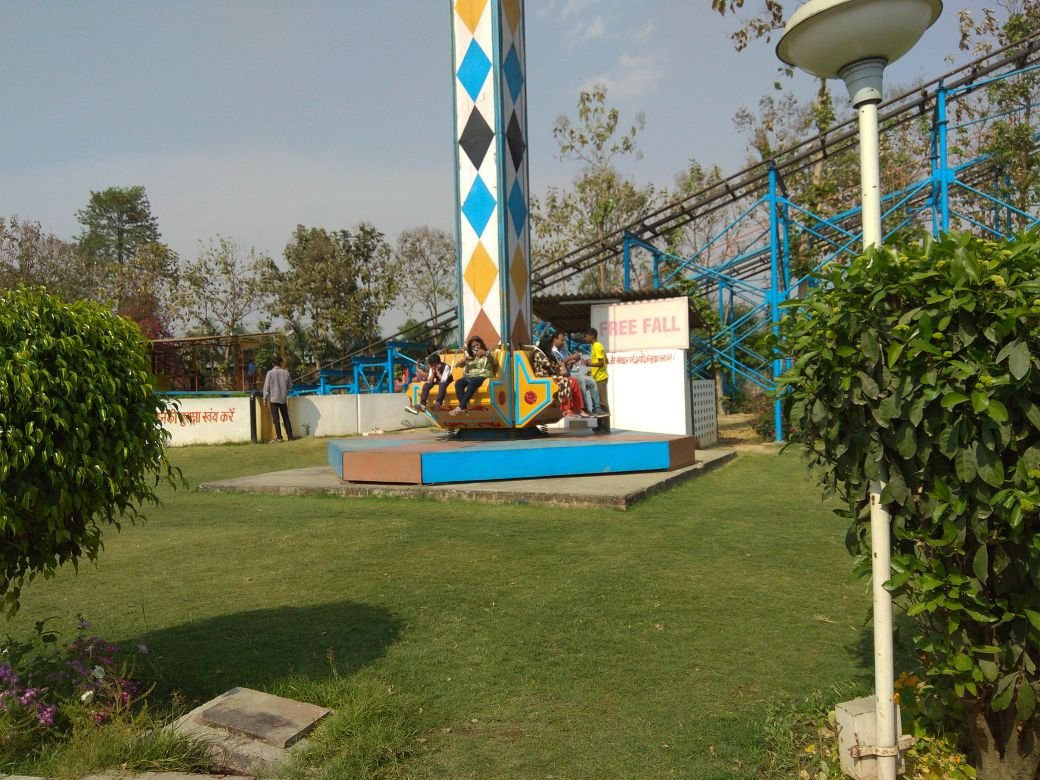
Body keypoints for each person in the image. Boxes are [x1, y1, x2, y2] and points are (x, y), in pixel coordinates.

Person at [551, 331, 603, 417]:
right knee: (581, 381)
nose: (563, 343)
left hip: (568, 375)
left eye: (564, 340)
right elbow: (559, 365)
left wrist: (573, 361)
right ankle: (584, 408)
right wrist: (570, 358)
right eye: (561, 340)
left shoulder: (564, 350)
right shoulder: (552, 351)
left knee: (592, 382)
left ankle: (596, 408)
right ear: (555, 339)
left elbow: (567, 366)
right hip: (560, 378)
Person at [536, 332, 587, 418]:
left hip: (551, 376)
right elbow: (549, 366)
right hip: (544, 377)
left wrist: (566, 364)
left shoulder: (547, 353)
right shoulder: (539, 354)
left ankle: (578, 408)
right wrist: (562, 365)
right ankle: (567, 409)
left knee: (573, 380)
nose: (551, 346)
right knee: (566, 380)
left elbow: (555, 366)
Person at [451, 336, 498, 415]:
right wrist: (465, 359)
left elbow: (493, 362)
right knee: (459, 383)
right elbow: (458, 365)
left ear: (481, 344)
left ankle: (461, 407)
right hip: (470, 376)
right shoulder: (471, 356)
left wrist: (485, 353)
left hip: (483, 375)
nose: (476, 347)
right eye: (473, 346)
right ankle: (464, 407)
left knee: (472, 382)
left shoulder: (487, 353)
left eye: (477, 345)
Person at [584, 327, 610, 434]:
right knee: (598, 403)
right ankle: (600, 426)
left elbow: (601, 362)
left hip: (601, 378)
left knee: (603, 402)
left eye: (586, 336)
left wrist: (589, 363)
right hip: (598, 377)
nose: (585, 338)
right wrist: (591, 370)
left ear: (592, 336)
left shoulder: (597, 346)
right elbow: (605, 360)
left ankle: (606, 427)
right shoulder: (595, 346)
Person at [262, 355, 294, 442]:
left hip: (273, 399)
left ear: (273, 364)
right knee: (286, 417)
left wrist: (265, 399)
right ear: (281, 363)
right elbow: (290, 386)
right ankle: (290, 436)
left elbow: (266, 387)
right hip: (283, 398)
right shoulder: (286, 372)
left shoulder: (270, 373)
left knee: (276, 419)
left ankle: (279, 437)